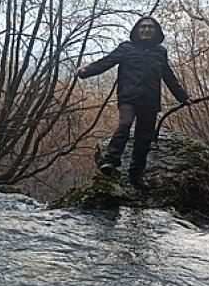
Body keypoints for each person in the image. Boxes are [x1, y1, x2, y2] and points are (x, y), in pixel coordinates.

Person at [76, 16, 190, 190]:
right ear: (137, 30)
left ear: (156, 31)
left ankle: (136, 175)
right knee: (125, 124)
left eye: (150, 27)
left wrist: (183, 97)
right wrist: (86, 71)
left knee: (144, 139)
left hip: (150, 101)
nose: (146, 30)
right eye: (143, 27)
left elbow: (168, 76)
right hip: (129, 98)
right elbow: (106, 62)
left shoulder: (160, 52)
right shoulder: (126, 49)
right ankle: (110, 161)